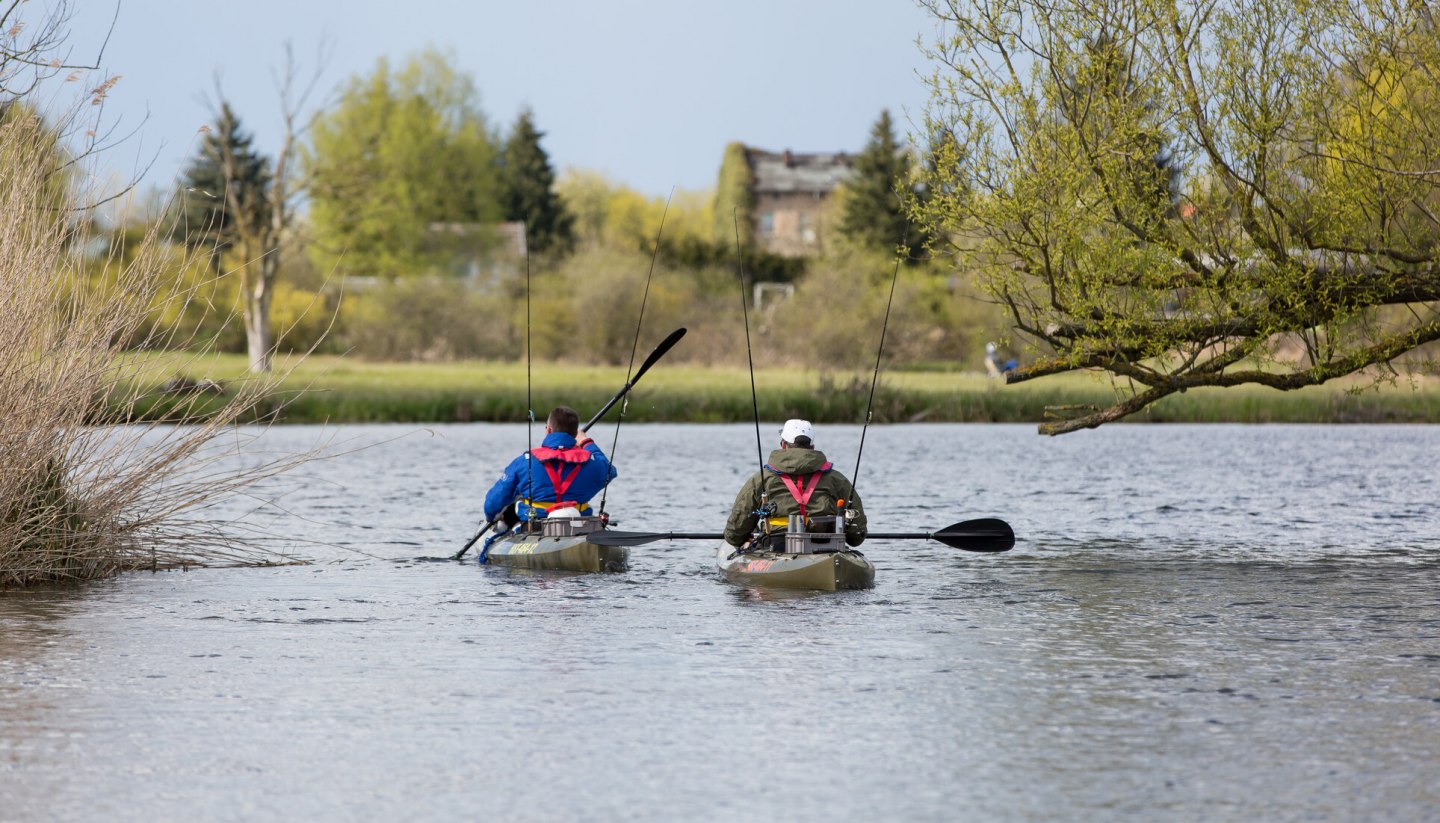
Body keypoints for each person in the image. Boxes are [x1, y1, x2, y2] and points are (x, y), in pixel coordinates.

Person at [723, 419, 867, 550]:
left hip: (777, 546)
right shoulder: (837, 479)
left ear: (784, 445)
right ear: (812, 447)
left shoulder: (761, 478)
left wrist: (745, 539)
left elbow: (734, 534)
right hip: (827, 547)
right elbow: (856, 537)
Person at [483, 406, 617, 533]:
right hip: (579, 526)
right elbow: (610, 471)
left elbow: (492, 504)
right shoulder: (590, 461)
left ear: (548, 430)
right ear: (575, 434)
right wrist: (586, 441)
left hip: (535, 528)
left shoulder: (525, 461)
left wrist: (491, 518)